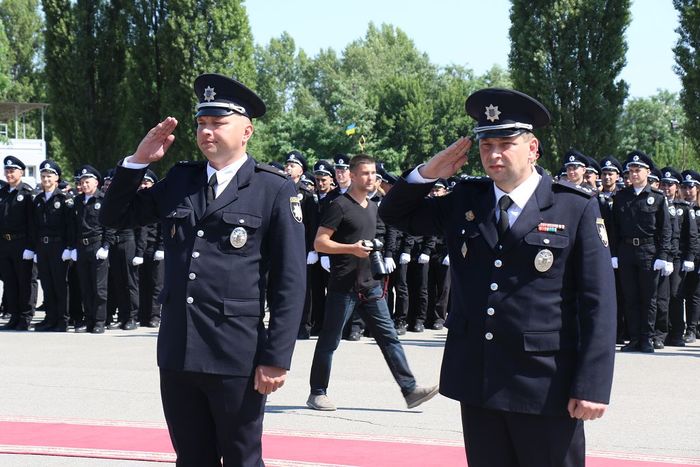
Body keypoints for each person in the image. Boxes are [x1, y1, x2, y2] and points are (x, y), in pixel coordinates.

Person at [379, 88, 616, 467]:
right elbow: (394, 214)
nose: (494, 154)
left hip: (544, 383)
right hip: (479, 378)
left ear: (533, 148)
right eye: (486, 145)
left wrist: (592, 385)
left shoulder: (573, 206)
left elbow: (598, 302)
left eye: (506, 144)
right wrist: (429, 172)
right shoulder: (466, 200)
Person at [99, 73, 306, 466]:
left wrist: (277, 357)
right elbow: (114, 217)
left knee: (242, 459)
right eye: (201, 123)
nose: (206, 131)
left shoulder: (274, 189)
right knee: (192, 459)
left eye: (218, 123)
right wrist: (138, 161)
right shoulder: (182, 180)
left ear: (246, 131)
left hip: (236, 354)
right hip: (179, 350)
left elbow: (290, 282)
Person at [306, 154, 439, 412]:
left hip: (371, 287)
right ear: (352, 175)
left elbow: (378, 236)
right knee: (329, 342)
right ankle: (317, 393)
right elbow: (320, 242)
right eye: (365, 173)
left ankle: (410, 389)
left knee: (390, 338)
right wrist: (351, 248)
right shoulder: (339, 206)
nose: (371, 178)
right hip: (343, 286)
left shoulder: (374, 207)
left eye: (373, 173)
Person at [611, 151, 672, 353]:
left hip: (649, 251)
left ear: (648, 172)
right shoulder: (621, 197)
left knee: (649, 298)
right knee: (630, 297)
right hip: (626, 250)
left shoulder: (657, 197)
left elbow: (665, 230)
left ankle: (647, 338)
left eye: (638, 170)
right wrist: (614, 253)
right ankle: (635, 338)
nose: (634, 174)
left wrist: (663, 256)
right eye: (631, 171)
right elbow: (614, 228)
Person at [32, 160, 75, 332]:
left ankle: (62, 320)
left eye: (49, 176)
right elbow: (34, 226)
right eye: (43, 176)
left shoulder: (64, 199)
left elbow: (70, 225)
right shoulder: (38, 199)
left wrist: (69, 247)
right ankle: (50, 318)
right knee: (47, 284)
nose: (46, 179)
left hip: (59, 246)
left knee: (60, 284)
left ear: (57, 178)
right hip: (43, 247)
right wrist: (35, 248)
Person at [73, 165, 114, 334]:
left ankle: (99, 321)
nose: (84, 185)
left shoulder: (103, 200)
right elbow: (73, 226)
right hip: (81, 247)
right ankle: (89, 319)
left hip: (97, 245)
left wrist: (106, 246)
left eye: (87, 181)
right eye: (82, 182)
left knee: (99, 287)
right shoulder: (77, 201)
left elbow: (109, 225)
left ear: (96, 182)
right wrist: (72, 247)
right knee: (85, 285)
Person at [0, 156, 36, 331]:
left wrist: (31, 246)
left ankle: (25, 316)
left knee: (25, 281)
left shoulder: (27, 193)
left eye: (12, 171)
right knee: (10, 281)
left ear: (21, 172)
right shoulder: (2, 193)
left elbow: (32, 222)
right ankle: (14, 315)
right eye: (6, 170)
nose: (9, 174)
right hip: (4, 243)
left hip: (21, 243)